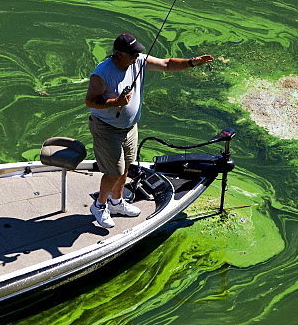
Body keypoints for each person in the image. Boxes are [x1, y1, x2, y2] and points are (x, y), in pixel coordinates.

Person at [84, 33, 214, 228]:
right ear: (120, 54)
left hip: (129, 127)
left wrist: (191, 62)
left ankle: (116, 202)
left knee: (127, 166)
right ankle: (100, 205)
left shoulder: (137, 61)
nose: (137, 57)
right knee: (114, 171)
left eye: (138, 53)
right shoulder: (102, 74)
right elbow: (90, 101)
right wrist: (115, 102)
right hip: (107, 127)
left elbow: (167, 64)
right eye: (133, 54)